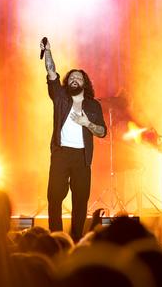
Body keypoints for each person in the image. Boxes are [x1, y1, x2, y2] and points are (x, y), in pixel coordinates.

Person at [41, 38, 107, 241]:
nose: (74, 79)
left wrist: (86, 123)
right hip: (61, 153)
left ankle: (77, 239)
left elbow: (102, 132)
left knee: (80, 201)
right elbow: (51, 72)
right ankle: (56, 238)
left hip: (82, 157)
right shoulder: (61, 97)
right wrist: (48, 52)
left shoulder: (93, 106)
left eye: (78, 77)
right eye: (71, 78)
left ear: (85, 83)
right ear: (67, 83)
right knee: (54, 196)